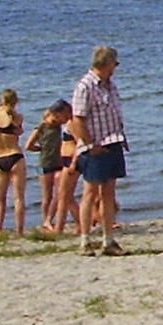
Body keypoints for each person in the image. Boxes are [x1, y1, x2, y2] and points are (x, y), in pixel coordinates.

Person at [69, 45, 127, 255]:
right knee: (90, 193)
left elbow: (114, 114)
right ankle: (85, 240)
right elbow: (77, 119)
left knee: (108, 193)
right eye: (114, 64)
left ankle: (108, 240)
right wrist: (89, 145)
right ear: (106, 63)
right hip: (95, 146)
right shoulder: (85, 86)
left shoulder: (110, 86)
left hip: (113, 142)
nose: (115, 68)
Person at [0, 88, 29, 235]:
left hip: (0, 159)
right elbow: (18, 131)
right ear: (16, 101)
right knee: (18, 198)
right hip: (15, 156)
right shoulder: (17, 117)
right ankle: (19, 231)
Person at [29, 99, 76, 235]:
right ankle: (46, 221)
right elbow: (29, 145)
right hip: (45, 163)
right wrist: (42, 149)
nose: (67, 117)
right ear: (56, 114)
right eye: (65, 114)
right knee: (47, 195)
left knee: (59, 192)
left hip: (58, 162)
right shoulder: (42, 127)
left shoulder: (59, 126)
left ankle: (50, 219)